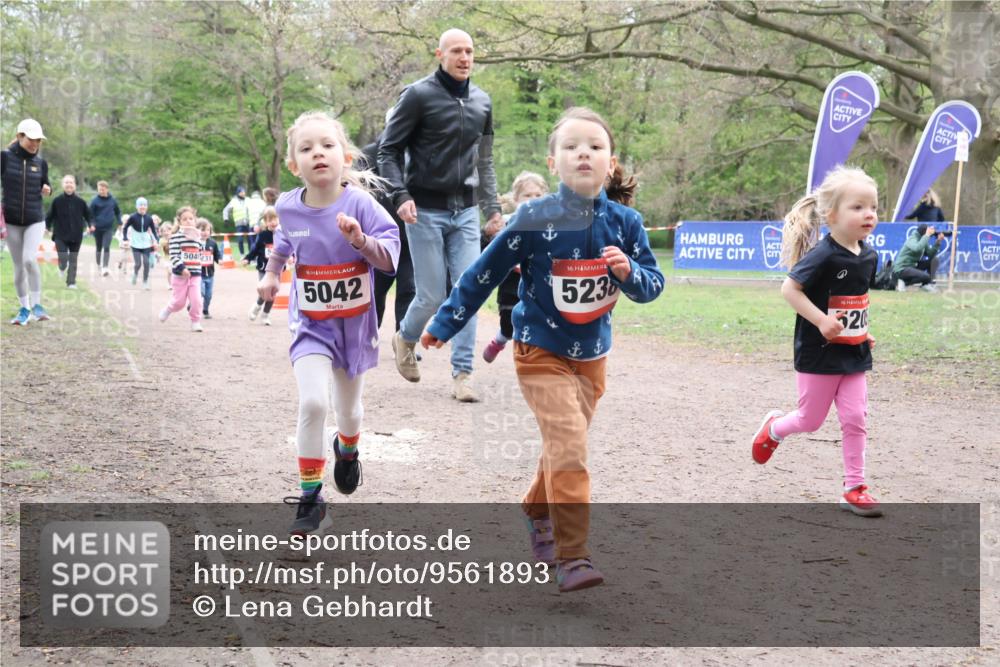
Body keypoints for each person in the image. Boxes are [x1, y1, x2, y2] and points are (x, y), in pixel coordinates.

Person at [420, 107, 664, 592]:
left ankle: (536, 509)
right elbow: (482, 274)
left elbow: (653, 284)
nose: (583, 154)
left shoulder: (628, 223)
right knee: (571, 445)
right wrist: (446, 322)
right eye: (572, 146)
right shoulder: (532, 217)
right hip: (539, 350)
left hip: (592, 357)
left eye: (594, 146)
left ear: (610, 162)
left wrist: (627, 274)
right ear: (554, 162)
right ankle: (573, 557)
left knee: (561, 445)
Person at [258, 111, 399, 535]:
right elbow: (283, 243)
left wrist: (360, 240)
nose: (317, 153)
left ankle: (349, 449)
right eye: (306, 148)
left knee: (348, 411)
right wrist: (270, 273)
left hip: (353, 327)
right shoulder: (287, 207)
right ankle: (310, 499)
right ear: (292, 165)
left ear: (347, 157)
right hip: (311, 326)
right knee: (315, 404)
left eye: (327, 145)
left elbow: (390, 257)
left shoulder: (360, 204)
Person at [379, 27, 503, 402]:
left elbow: (485, 160)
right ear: (440, 55)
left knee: (468, 290)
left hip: (464, 210)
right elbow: (388, 151)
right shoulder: (418, 96)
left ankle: (462, 374)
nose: (464, 58)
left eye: (470, 51)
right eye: (456, 52)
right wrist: (400, 195)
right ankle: (405, 336)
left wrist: (493, 208)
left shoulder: (482, 101)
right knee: (431, 295)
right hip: (424, 210)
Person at [751, 165, 883, 518]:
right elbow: (789, 289)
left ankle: (853, 488)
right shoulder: (823, 255)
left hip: (852, 352)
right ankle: (774, 428)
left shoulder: (868, 255)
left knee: (856, 417)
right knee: (810, 420)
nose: (869, 214)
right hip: (818, 353)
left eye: (873, 207)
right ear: (832, 215)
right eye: (858, 207)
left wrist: (860, 331)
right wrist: (822, 321)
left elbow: (855, 299)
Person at [482, 171, 549, 363]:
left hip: (538, 286)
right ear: (516, 199)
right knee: (508, 324)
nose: (533, 200)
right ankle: (500, 339)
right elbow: (490, 249)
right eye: (527, 196)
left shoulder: (550, 224)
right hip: (510, 286)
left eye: (538, 195)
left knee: (536, 325)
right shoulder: (507, 223)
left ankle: (533, 358)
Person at [358, 134, 415, 331]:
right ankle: (370, 334)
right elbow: (356, 191)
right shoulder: (368, 155)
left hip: (410, 235)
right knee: (376, 289)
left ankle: (404, 341)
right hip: (380, 237)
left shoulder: (417, 152)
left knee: (409, 288)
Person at [2, 118, 52, 325]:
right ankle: (24, 308)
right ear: (19, 137)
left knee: (29, 259)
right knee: (18, 266)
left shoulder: (40, 163)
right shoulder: (4, 158)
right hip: (12, 220)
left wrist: (48, 188)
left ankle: (37, 304)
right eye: (31, 139)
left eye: (38, 140)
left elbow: (46, 183)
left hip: (34, 219)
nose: (35, 144)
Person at [158, 206, 205, 332]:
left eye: (191, 218)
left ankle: (195, 321)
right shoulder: (175, 238)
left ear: (195, 220)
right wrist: (182, 268)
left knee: (197, 301)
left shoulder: (198, 237)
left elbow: (200, 253)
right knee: (179, 303)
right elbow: (173, 256)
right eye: (185, 219)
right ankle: (168, 309)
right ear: (179, 222)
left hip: (195, 275)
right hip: (179, 276)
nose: (189, 221)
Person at [45, 174, 91, 290]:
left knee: (73, 259)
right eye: (66, 182)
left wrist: (91, 225)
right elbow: (49, 216)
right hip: (60, 235)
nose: (69, 184)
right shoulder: (57, 201)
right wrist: (47, 227)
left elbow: (89, 216)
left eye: (71, 182)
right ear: (63, 185)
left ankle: (71, 282)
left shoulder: (81, 202)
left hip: (76, 235)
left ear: (74, 185)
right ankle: (61, 267)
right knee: (64, 257)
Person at [244, 206, 280, 326]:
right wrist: (248, 259)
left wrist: (292, 257)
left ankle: (265, 315)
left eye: (275, 219)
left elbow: (289, 248)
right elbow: (254, 249)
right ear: (265, 222)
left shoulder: (282, 234)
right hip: (263, 268)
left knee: (272, 292)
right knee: (265, 290)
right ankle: (257, 306)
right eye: (270, 220)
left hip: (277, 270)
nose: (273, 222)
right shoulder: (263, 235)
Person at [892, 223, 945, 292]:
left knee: (934, 260)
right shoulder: (912, 239)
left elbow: (930, 254)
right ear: (924, 232)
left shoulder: (923, 239)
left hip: (912, 266)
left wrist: (938, 242)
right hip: (902, 268)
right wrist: (927, 235)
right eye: (927, 231)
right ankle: (902, 282)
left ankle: (926, 284)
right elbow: (917, 248)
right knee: (926, 276)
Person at [121, 197, 159, 289]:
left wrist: (156, 240)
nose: (142, 207)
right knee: (138, 264)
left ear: (147, 207)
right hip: (135, 243)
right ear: (137, 206)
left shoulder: (149, 218)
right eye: (140, 205)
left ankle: (145, 282)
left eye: (144, 205)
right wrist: (125, 238)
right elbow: (125, 228)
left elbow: (153, 230)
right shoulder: (133, 217)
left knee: (146, 263)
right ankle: (135, 274)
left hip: (146, 243)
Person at [88, 180, 122, 276]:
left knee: (106, 246)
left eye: (103, 190)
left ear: (107, 189)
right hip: (97, 228)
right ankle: (99, 265)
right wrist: (92, 224)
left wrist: (120, 222)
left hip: (108, 228)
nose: (101, 191)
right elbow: (90, 215)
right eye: (99, 190)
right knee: (99, 247)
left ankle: (105, 267)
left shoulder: (112, 200)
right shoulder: (94, 201)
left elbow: (118, 212)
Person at [197, 219, 221, 319]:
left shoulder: (213, 243)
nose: (205, 232)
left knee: (208, 295)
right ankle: (193, 304)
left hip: (210, 274)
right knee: (200, 292)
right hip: (199, 274)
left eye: (207, 230)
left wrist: (219, 260)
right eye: (202, 230)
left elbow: (217, 255)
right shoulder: (195, 243)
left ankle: (205, 310)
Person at [222, 185, 252, 256]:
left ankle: (251, 255)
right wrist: (226, 219)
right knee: (240, 240)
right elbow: (225, 210)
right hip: (239, 224)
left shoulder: (248, 200)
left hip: (248, 223)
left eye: (244, 192)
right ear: (238, 193)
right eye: (241, 192)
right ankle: (242, 255)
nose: (243, 193)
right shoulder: (234, 201)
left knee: (250, 240)